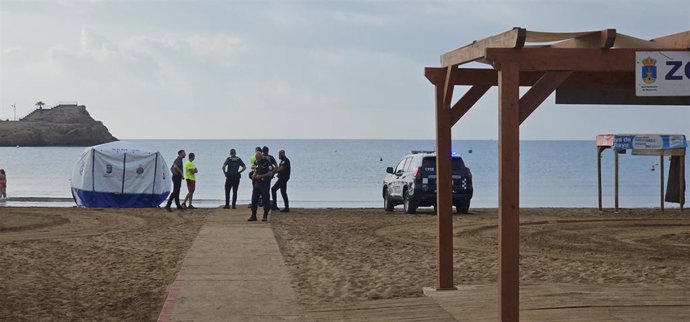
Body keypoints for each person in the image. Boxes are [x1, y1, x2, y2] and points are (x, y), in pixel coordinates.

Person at [249, 151, 274, 222]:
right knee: (254, 198)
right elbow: (256, 170)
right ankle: (253, 215)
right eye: (256, 159)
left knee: (266, 199)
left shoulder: (267, 162)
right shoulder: (257, 162)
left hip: (265, 183)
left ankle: (265, 216)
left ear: (261, 156)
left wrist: (261, 176)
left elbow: (270, 173)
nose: (257, 160)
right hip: (257, 183)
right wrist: (254, 175)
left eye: (258, 159)